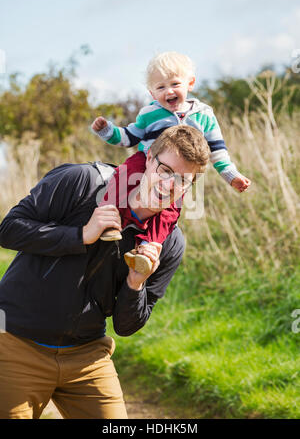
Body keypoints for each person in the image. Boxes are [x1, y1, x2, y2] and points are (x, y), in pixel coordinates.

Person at [0, 125, 205, 419]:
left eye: (182, 180)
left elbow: (126, 326)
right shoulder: (82, 181)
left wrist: (136, 285)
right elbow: (9, 230)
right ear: (148, 159)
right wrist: (80, 234)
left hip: (87, 355)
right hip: (16, 342)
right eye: (164, 169)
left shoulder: (169, 244)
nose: (168, 184)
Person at [91, 51, 251, 271]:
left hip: (181, 172)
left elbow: (217, 150)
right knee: (123, 176)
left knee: (170, 209)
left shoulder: (204, 114)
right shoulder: (149, 113)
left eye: (175, 83)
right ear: (151, 92)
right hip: (148, 160)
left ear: (190, 83)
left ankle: (150, 245)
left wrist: (231, 176)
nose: (169, 91)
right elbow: (129, 136)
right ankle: (109, 217)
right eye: (160, 87)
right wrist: (108, 131)